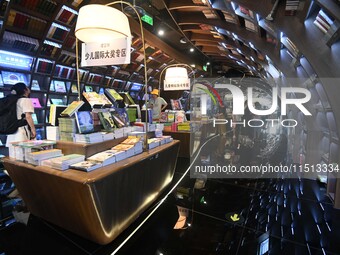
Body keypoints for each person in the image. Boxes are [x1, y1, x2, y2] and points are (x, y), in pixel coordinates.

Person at [6, 83, 36, 152]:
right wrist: (33, 130)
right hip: (21, 131)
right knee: (23, 154)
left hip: (11, 131)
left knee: (13, 156)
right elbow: (28, 116)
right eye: (27, 87)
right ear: (25, 90)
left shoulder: (12, 100)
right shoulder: (26, 100)